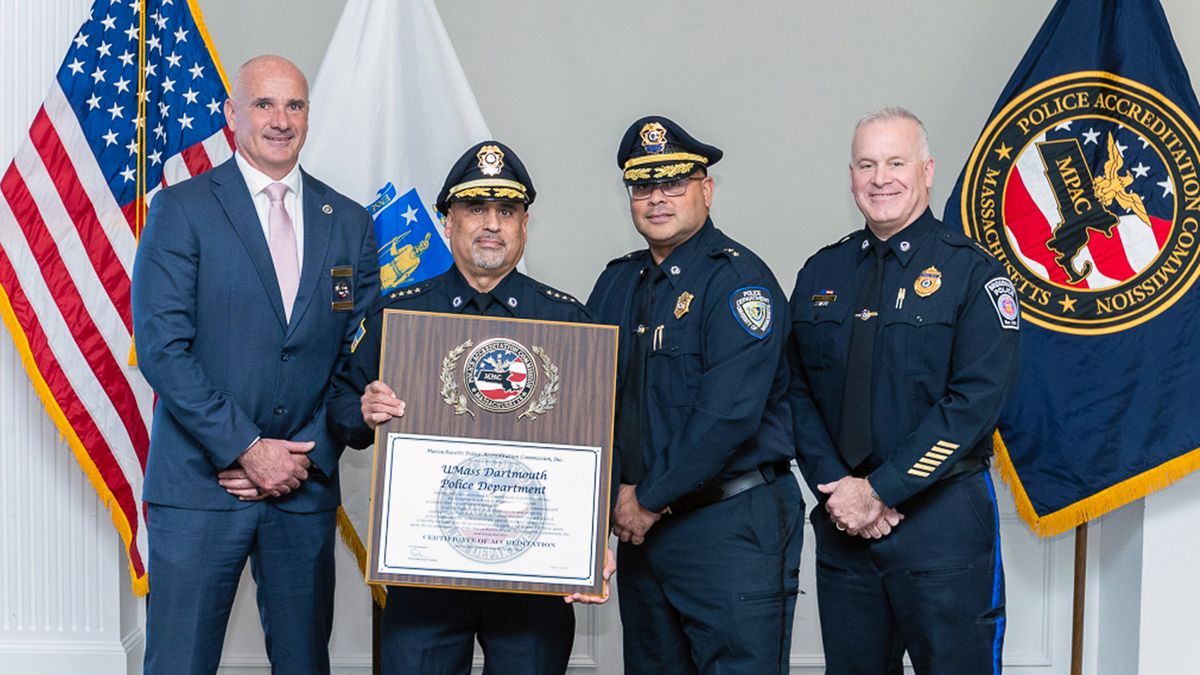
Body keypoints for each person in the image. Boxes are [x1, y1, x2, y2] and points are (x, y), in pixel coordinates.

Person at [131, 55, 378, 674]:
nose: (279, 119)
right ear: (232, 114)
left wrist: (302, 456)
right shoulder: (180, 210)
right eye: (263, 104)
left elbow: (359, 352)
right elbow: (163, 350)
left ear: (307, 117)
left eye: (293, 105)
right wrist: (247, 447)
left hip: (302, 488)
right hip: (199, 488)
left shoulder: (348, 223)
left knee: (303, 664)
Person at [327, 140, 612, 675]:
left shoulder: (571, 324)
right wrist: (364, 410)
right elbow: (341, 403)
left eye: (506, 211)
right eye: (475, 209)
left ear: (525, 226)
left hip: (535, 571)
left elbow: (602, 441)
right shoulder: (398, 314)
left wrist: (594, 538)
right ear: (447, 221)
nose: (491, 224)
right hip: (426, 566)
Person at [786, 107, 1020, 674]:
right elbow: (793, 390)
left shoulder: (974, 275)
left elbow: (973, 405)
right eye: (866, 164)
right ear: (851, 177)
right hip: (845, 527)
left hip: (942, 525)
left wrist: (881, 490)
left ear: (927, 170)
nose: (880, 178)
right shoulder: (822, 273)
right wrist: (840, 492)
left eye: (895, 162)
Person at [587, 116, 803, 674]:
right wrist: (608, 497)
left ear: (706, 190)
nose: (656, 198)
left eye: (673, 182)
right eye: (642, 185)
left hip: (729, 528)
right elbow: (586, 401)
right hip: (644, 530)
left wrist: (645, 498)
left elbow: (726, 417)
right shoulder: (615, 284)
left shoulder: (738, 285)